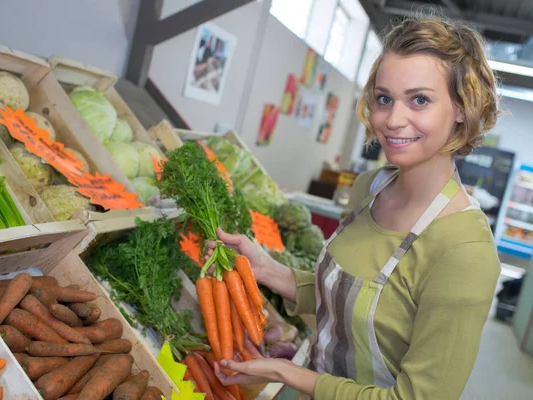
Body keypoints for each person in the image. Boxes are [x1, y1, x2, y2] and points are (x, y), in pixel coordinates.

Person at [207, 17, 501, 399]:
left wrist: (290, 374)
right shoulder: (369, 189)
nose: (393, 120)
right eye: (384, 99)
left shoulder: (464, 251)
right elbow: (346, 306)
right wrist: (267, 269)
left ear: (462, 108)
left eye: (420, 100)